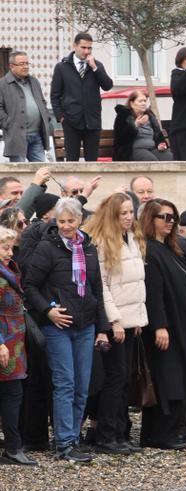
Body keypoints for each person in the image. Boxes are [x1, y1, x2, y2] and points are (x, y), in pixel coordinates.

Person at [24, 197, 110, 461]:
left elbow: (96, 289)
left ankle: (72, 437)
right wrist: (48, 311)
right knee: (65, 383)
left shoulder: (89, 247)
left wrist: (102, 327)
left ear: (80, 219)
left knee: (82, 385)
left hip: (84, 324)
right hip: (57, 325)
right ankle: (64, 442)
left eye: (70, 221)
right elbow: (30, 286)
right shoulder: (46, 248)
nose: (66, 226)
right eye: (61, 221)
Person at [84, 191, 147, 454]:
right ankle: (106, 435)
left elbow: (136, 282)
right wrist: (115, 321)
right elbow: (104, 287)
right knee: (115, 377)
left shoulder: (132, 238)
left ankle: (121, 433)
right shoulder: (102, 242)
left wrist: (138, 318)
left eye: (131, 212)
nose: (129, 217)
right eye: (123, 213)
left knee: (125, 378)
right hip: (115, 321)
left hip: (132, 319)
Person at [50, 32, 114, 161]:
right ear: (75, 46)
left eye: (89, 48)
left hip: (92, 120)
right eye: (83, 47)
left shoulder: (97, 65)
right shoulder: (62, 67)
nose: (87, 51)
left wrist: (95, 68)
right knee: (72, 160)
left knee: (92, 160)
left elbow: (107, 86)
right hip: (71, 120)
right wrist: (60, 117)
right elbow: (55, 95)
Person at [0, 225, 32, 464]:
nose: (9, 252)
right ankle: (12, 447)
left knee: (14, 394)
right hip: (4, 342)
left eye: (10, 247)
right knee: (12, 394)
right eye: (4, 247)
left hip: (15, 341)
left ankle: (12, 446)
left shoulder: (11, 270)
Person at [0, 51, 52, 163]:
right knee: (19, 174)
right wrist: (8, 124)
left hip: (37, 135)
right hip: (17, 136)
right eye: (22, 64)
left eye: (27, 63)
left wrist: (46, 117)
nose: (26, 67)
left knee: (41, 172)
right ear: (12, 66)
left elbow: (42, 102)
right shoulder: (3, 84)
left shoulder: (34, 81)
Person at [109, 89, 168, 163]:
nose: (143, 103)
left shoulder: (150, 116)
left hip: (153, 149)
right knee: (152, 162)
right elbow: (120, 138)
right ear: (132, 103)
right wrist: (135, 125)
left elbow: (159, 136)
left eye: (145, 101)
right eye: (140, 101)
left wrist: (161, 144)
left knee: (170, 158)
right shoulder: (123, 116)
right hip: (133, 150)